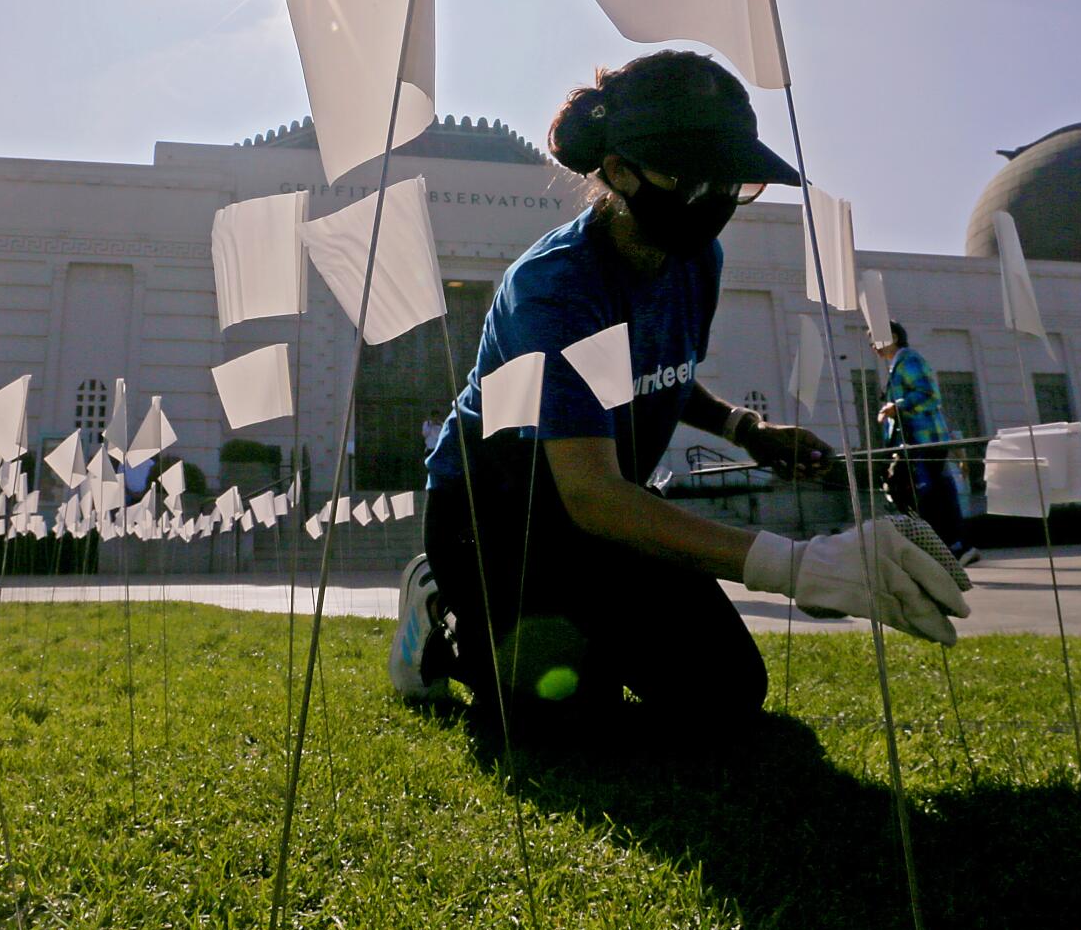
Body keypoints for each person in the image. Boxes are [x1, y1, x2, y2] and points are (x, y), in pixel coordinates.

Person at [387, 50, 970, 728]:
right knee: (564, 709)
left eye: (731, 182)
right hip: (499, 515)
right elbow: (591, 493)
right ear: (617, 171)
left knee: (724, 689)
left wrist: (747, 430)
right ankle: (442, 614)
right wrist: (794, 563)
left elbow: (649, 375)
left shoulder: (698, 260)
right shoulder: (555, 288)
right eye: (687, 177)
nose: (712, 201)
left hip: (603, 507)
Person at [874, 320, 979, 564]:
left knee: (927, 495)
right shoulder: (898, 364)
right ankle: (957, 547)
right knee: (939, 492)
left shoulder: (908, 360)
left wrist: (894, 407)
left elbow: (928, 394)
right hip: (921, 441)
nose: (873, 346)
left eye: (877, 339)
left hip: (923, 441)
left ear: (895, 337)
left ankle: (953, 548)